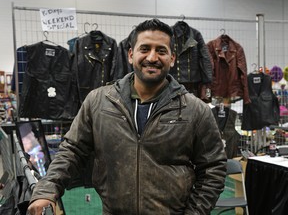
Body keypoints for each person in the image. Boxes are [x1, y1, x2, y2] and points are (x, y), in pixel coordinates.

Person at [28, 18, 227, 215]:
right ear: (131, 54)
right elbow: (72, 150)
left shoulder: (194, 110)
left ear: (172, 58)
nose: (152, 57)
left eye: (161, 51)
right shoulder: (99, 101)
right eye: (145, 49)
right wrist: (48, 189)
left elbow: (213, 168)